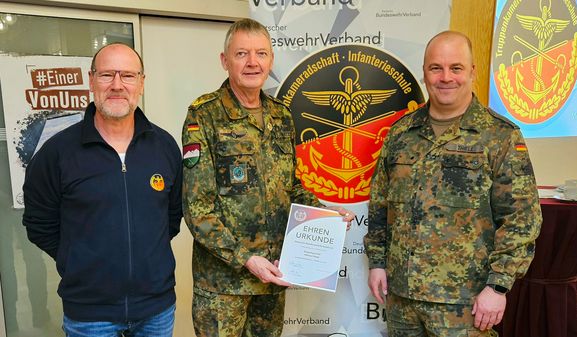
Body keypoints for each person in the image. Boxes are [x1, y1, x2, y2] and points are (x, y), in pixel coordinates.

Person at [182, 18, 354, 337]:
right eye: (242, 54)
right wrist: (246, 259)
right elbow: (198, 211)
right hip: (224, 287)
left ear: (271, 60)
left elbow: (293, 188)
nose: (252, 62)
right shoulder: (203, 115)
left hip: (272, 278)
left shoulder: (281, 116)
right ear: (225, 61)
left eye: (261, 53)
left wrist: (325, 215)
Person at [364, 31, 542, 336]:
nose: (446, 77)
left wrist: (498, 287)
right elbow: (380, 204)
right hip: (403, 299)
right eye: (436, 68)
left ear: (472, 72)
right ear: (424, 72)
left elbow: (522, 218)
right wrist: (378, 262)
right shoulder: (401, 133)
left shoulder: (500, 136)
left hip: (465, 303)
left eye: (456, 68)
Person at [22, 43, 183, 337]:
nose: (117, 85)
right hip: (89, 315)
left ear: (142, 83)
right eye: (107, 75)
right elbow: (39, 223)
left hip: (156, 309)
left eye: (128, 76)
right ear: (92, 80)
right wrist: (77, 258)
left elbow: (170, 218)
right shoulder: (57, 152)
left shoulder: (165, 147)